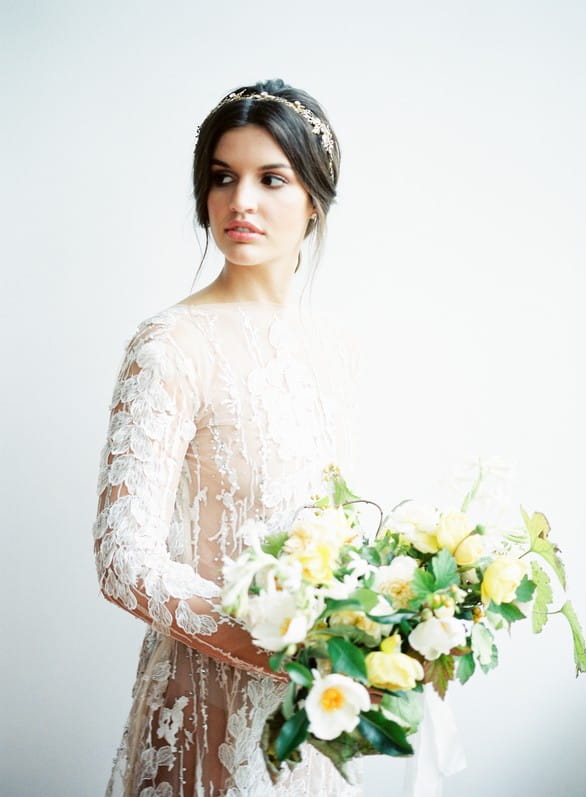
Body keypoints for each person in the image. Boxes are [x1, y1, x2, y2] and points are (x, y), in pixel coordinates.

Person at [92, 79, 361, 796]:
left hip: (312, 713)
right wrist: (277, 645)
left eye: (271, 178)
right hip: (206, 701)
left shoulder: (331, 350)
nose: (240, 201)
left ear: (314, 197)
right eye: (222, 178)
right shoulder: (170, 344)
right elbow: (123, 560)